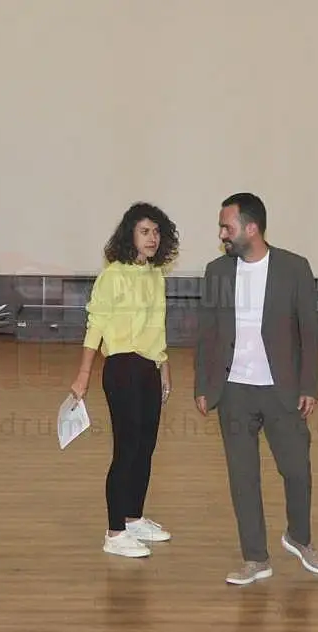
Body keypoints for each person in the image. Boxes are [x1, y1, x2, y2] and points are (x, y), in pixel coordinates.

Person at [194, 192, 318, 585]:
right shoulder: (218, 271)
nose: (222, 234)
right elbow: (207, 331)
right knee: (243, 477)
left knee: (297, 470)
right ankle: (255, 558)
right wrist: (203, 384)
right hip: (233, 390)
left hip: (281, 389)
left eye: (227, 227)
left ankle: (299, 538)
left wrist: (310, 385)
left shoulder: (294, 268)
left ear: (251, 228)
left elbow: (310, 332)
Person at [70, 202, 179, 558]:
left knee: (146, 447)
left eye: (157, 232)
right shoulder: (113, 275)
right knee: (127, 449)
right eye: (144, 231)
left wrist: (163, 363)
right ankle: (115, 531)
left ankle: (133, 517)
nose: (152, 238)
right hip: (122, 367)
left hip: (149, 367)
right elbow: (96, 325)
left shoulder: (155, 275)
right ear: (129, 235)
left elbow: (157, 325)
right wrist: (83, 375)